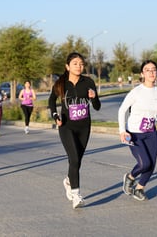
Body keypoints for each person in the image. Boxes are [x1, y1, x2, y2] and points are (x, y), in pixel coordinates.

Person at [48, 52, 101, 209]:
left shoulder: (88, 82)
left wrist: (94, 97)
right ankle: (76, 195)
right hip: (66, 126)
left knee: (76, 160)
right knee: (74, 159)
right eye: (75, 63)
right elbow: (51, 100)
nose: (79, 66)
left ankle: (69, 181)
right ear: (67, 66)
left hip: (84, 126)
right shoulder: (61, 84)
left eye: (81, 63)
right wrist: (55, 115)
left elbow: (97, 107)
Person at [118, 60, 157, 201]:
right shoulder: (136, 92)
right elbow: (122, 110)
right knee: (144, 163)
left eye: (154, 69)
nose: (151, 72)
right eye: (147, 70)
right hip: (134, 133)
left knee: (152, 163)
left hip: (151, 133)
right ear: (142, 73)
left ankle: (139, 188)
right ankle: (130, 177)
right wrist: (122, 130)